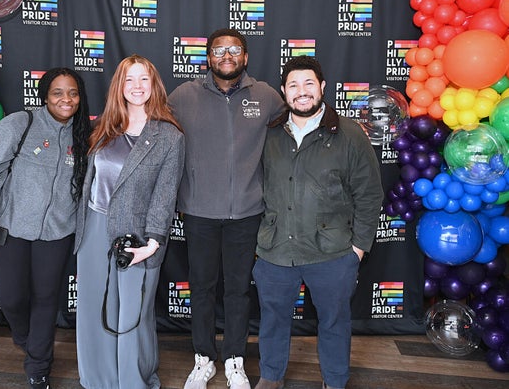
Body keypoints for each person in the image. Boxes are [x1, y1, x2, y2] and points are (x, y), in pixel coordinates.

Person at [252, 56, 383, 389]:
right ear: (284, 92)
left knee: (335, 322)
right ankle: (271, 377)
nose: (302, 92)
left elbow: (369, 195)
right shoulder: (269, 135)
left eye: (309, 84)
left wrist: (358, 249)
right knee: (272, 321)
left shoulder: (350, 135)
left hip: (334, 254)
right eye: (293, 85)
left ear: (322, 87)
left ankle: (335, 381)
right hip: (276, 251)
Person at [168, 28, 284, 389]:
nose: (227, 55)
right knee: (201, 287)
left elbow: (298, 123)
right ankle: (203, 359)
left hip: (247, 213)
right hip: (199, 212)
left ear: (245, 58)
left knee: (238, 289)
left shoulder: (265, 95)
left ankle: (235, 359)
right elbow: (156, 134)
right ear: (208, 57)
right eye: (219, 50)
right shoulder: (185, 95)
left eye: (235, 49)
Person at [0, 67, 92, 389]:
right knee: (11, 300)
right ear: (44, 96)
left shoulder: (84, 135)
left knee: (47, 298)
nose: (67, 99)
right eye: (58, 93)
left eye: (73, 93)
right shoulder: (19, 124)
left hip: (56, 234)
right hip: (12, 230)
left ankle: (38, 365)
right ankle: (26, 339)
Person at [74, 54, 185, 389]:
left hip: (137, 238)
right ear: (119, 86)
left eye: (143, 79)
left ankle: (132, 380)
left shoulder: (169, 136)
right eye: (129, 79)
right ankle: (98, 380)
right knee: (94, 309)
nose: (136, 87)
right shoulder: (104, 128)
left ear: (154, 85)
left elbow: (165, 195)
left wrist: (152, 244)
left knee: (132, 316)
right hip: (94, 228)